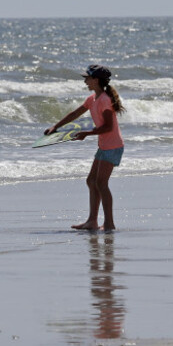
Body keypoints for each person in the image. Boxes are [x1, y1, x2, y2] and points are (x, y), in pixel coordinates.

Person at [45, 64, 126, 232]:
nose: (85, 81)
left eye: (87, 78)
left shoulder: (105, 100)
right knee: (91, 181)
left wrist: (86, 133)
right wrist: (56, 126)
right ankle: (92, 221)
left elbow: (108, 128)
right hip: (105, 145)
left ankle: (109, 223)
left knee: (101, 183)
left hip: (112, 146)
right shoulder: (93, 98)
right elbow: (75, 114)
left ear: (96, 80)